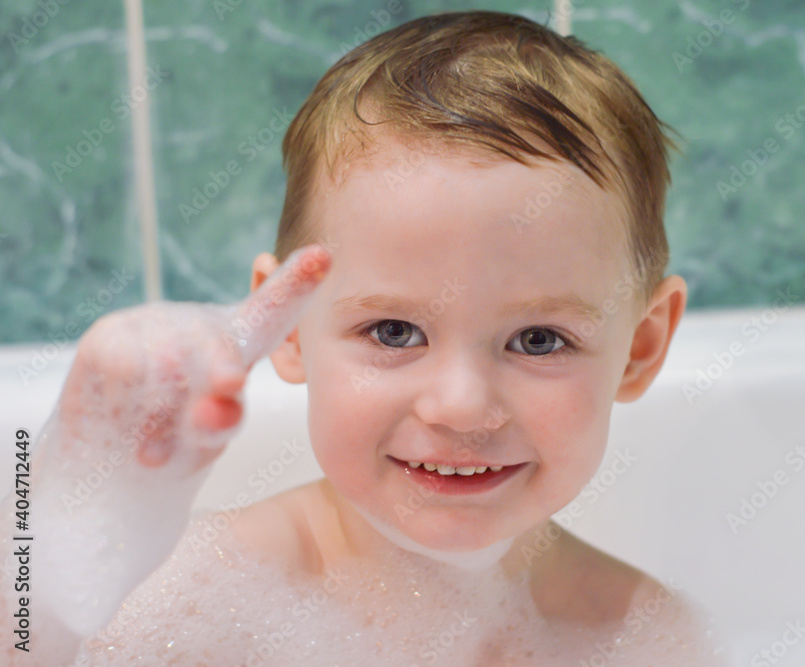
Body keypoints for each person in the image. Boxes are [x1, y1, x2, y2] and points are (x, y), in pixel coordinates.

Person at [1, 10, 729, 665]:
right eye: (394, 330)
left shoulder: (650, 636)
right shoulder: (192, 603)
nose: (461, 407)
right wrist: (61, 529)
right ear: (287, 328)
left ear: (640, 347)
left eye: (539, 339)